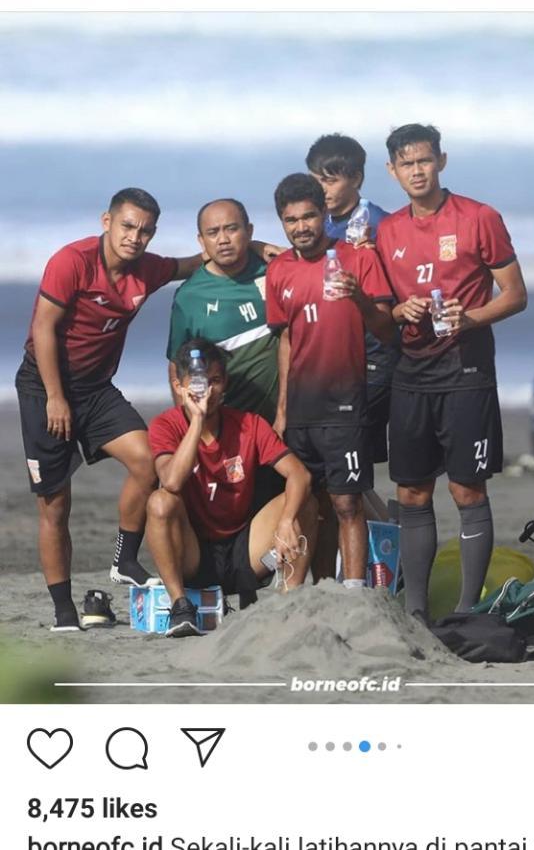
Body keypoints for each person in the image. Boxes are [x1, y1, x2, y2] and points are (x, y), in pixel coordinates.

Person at [15, 188, 204, 632]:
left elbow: (193, 263)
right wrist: (56, 396)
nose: (135, 237)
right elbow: (43, 328)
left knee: (148, 461)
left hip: (97, 390)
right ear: (107, 221)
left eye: (145, 231)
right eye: (128, 226)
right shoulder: (73, 261)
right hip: (45, 388)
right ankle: (64, 609)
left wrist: (251, 247)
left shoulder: (148, 269)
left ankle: (124, 559)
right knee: (56, 505)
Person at [376, 123, 527, 623]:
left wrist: (472, 315)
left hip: (467, 371)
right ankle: (416, 611)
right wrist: (402, 312)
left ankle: (467, 609)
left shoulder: (479, 217)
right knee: (411, 492)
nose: (416, 171)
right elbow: (383, 311)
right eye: (406, 163)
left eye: (424, 160)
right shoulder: (388, 230)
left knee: (467, 489)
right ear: (392, 171)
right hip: (411, 374)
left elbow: (515, 295)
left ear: (441, 160)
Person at [266, 173, 395, 586]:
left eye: (309, 216)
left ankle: (355, 594)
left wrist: (358, 296)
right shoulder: (279, 271)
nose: (301, 227)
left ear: (324, 213)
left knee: (347, 504)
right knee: (307, 504)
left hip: (346, 405)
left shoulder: (358, 259)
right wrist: (282, 410)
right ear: (282, 223)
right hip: (302, 409)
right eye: (291, 220)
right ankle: (310, 592)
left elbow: (386, 329)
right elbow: (286, 340)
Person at [146, 339, 317, 636]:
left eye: (214, 381)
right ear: (179, 386)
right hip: (193, 553)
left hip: (245, 549)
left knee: (306, 501)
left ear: (225, 383)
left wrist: (288, 520)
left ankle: (290, 603)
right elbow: (171, 481)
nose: (207, 392)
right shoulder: (166, 425)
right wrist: (196, 421)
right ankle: (180, 605)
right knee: (160, 502)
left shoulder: (249, 424)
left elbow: (299, 475)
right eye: (198, 383)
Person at [307, 133, 399, 519]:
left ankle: (390, 535)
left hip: (374, 359)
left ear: (357, 178)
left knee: (340, 466)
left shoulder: (379, 224)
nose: (321, 189)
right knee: (340, 468)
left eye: (330, 180)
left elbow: (399, 288)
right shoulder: (318, 222)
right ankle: (388, 530)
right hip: (335, 359)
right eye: (316, 179)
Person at [167, 198, 279, 422]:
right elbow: (177, 367)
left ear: (249, 231)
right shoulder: (189, 297)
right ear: (201, 240)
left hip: (288, 418)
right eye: (213, 232)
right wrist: (189, 425)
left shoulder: (275, 272)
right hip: (231, 427)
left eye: (232, 229)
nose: (223, 240)